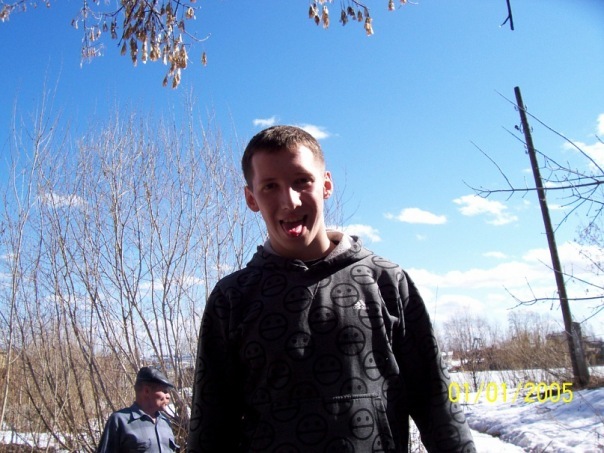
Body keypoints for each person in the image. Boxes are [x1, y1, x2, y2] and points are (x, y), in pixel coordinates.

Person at [187, 125, 475, 452]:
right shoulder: (232, 298)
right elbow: (210, 425)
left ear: (326, 185)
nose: (290, 200)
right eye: (270, 186)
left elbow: (438, 404)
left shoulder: (386, 281)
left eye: (302, 181)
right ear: (251, 198)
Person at [98, 366, 180, 452]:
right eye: (164, 391)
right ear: (146, 391)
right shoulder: (120, 421)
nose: (168, 396)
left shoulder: (165, 422)